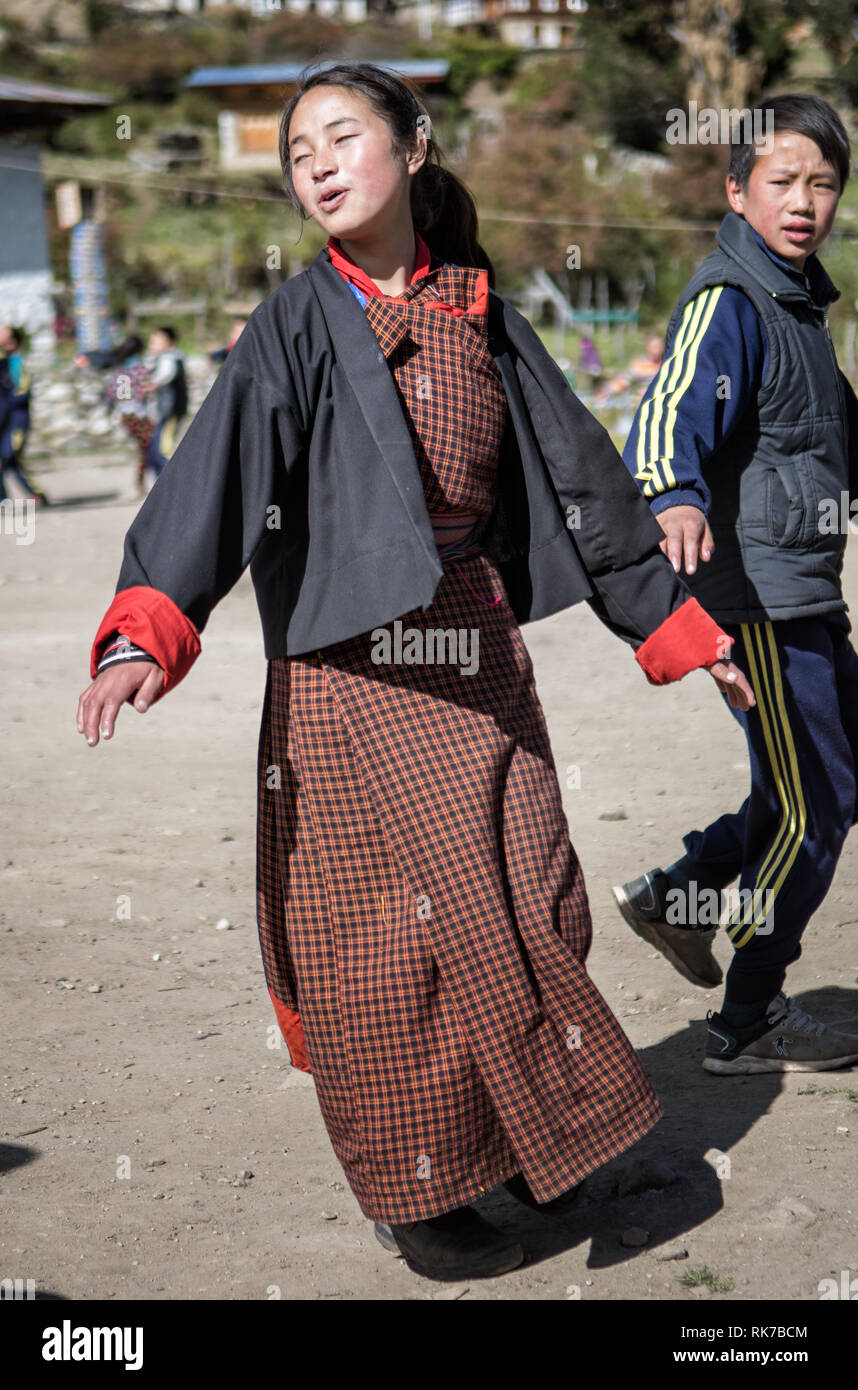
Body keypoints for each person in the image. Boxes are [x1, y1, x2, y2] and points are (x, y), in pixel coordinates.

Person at [77, 61, 753, 1283]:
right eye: (298, 154)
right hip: (349, 682)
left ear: (414, 146)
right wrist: (145, 626)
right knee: (381, 945)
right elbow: (212, 479)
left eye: (342, 138)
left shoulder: (482, 309)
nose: (320, 165)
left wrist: (679, 626)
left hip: (475, 654)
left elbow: (586, 480)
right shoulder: (294, 321)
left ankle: (515, 1154)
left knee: (531, 893)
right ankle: (426, 1197)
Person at [614, 93, 858, 1076]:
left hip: (807, 589)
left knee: (822, 782)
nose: (802, 201)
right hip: (753, 597)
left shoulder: (800, 305)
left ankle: (680, 890)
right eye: (781, 180)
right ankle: (747, 1015)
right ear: (734, 190)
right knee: (811, 806)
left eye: (823, 183)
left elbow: (837, 445)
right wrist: (670, 492)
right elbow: (666, 404)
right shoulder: (731, 298)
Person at [0, 325, 48, 506]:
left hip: (16, 420)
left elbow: (23, 392)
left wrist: (4, 405)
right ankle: (2, 497)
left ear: (11, 342)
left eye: (2, 333)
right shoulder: (0, 360)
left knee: (7, 458)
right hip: (2, 421)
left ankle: (34, 494)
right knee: (4, 459)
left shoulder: (17, 363)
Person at [104, 335, 154, 497]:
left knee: (143, 449)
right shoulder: (139, 369)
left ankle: (141, 482)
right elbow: (145, 391)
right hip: (138, 414)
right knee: (147, 448)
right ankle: (141, 483)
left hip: (124, 415)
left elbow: (110, 394)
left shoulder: (120, 370)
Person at [143, 325, 188, 481]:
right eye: (152, 342)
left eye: (158, 342)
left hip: (171, 411)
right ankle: (161, 483)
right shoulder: (158, 359)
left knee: (164, 449)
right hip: (163, 411)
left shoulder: (170, 358)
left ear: (171, 343)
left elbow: (166, 374)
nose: (153, 346)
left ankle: (172, 482)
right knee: (155, 450)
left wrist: (153, 384)